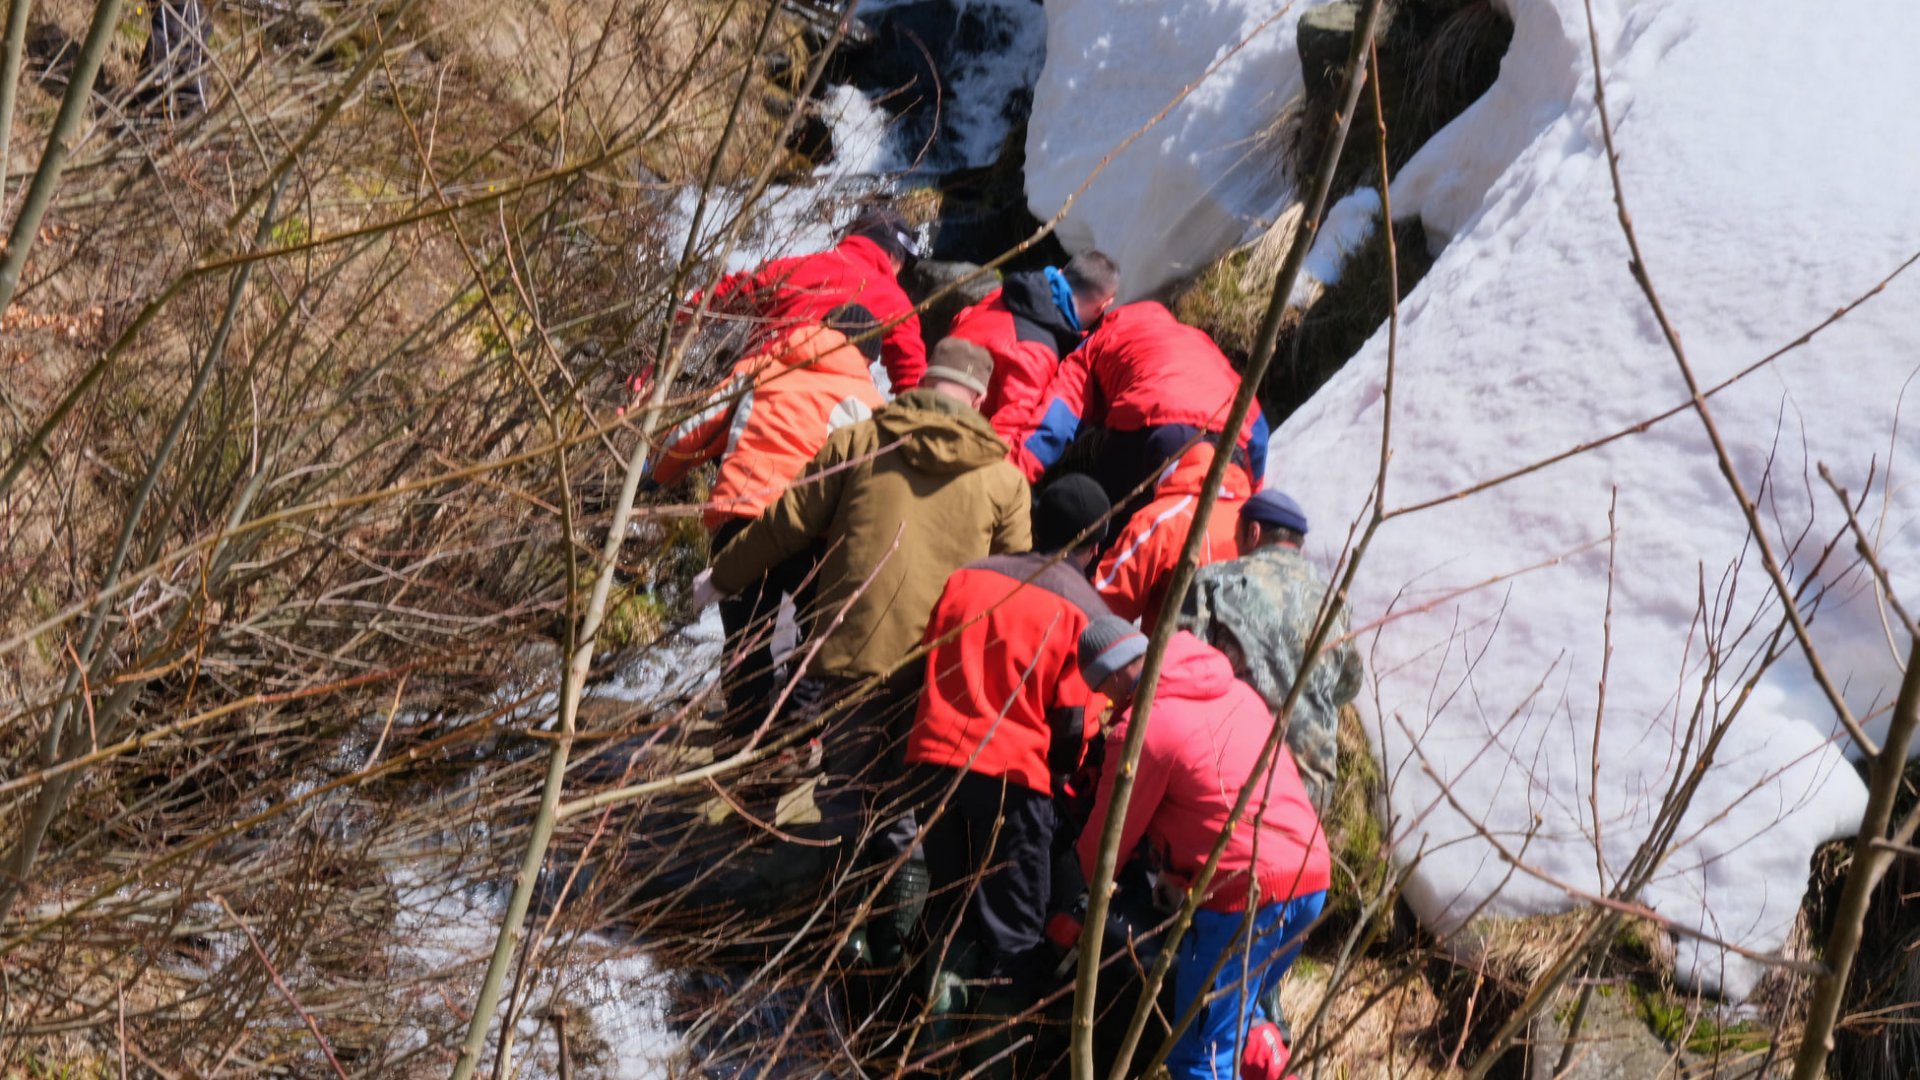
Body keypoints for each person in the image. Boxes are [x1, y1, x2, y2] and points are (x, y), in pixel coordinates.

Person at [698, 337, 1030, 848]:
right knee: (912, 801)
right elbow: (1014, 589)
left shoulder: (857, 442)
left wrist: (722, 576)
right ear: (979, 400)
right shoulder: (1005, 481)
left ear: (922, 383)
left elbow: (785, 525)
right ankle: (890, 914)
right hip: (942, 665)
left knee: (847, 793)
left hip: (856, 647)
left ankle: (839, 915)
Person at [898, 476, 1114, 1066]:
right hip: (1013, 784)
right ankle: (992, 1061)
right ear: (1095, 545)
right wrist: (1062, 787)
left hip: (933, 764)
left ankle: (924, 1049)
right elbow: (1074, 722)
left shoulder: (970, 575)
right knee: (1014, 932)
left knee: (947, 910)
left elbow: (927, 657)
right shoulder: (1083, 607)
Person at [1073, 617, 1329, 1080]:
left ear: (1110, 678)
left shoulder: (1142, 729)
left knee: (1200, 1056)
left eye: (1104, 693)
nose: (1109, 704)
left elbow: (1102, 853)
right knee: (1243, 1021)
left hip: (1243, 897)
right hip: (1310, 873)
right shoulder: (1236, 693)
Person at [652, 305, 888, 725]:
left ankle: (742, 730)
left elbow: (696, 428)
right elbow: (873, 479)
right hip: (811, 531)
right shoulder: (866, 398)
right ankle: (793, 735)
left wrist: (660, 474)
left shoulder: (763, 366)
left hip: (739, 517)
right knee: (816, 632)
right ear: (868, 357)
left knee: (745, 638)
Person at [1179, 490, 1362, 815]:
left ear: (1253, 532)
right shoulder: (1333, 599)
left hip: (1233, 771)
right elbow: (1348, 684)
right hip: (1311, 783)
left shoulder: (1215, 581)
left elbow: (1183, 672)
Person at [1005, 300, 1269, 504]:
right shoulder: (1199, 341)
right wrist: (1252, 490)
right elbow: (1257, 428)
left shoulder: (1098, 341)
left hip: (1146, 426)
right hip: (1223, 438)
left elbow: (1058, 418)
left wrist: (1010, 476)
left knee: (1099, 525)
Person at [694, 207, 928, 392]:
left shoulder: (793, 266)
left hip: (752, 388)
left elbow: (724, 294)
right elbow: (912, 378)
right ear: (891, 255)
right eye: (902, 265)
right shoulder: (894, 300)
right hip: (828, 412)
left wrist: (677, 324)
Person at [945, 251, 1120, 446]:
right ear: (1104, 305)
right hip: (951, 433)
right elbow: (1003, 435)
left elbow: (963, 318)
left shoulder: (1006, 293)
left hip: (928, 391)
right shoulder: (1037, 354)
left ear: (1062, 273)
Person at [1093, 438, 1251, 630]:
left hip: (1171, 655)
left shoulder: (1162, 518)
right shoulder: (1254, 521)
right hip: (1237, 655)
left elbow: (1106, 606)